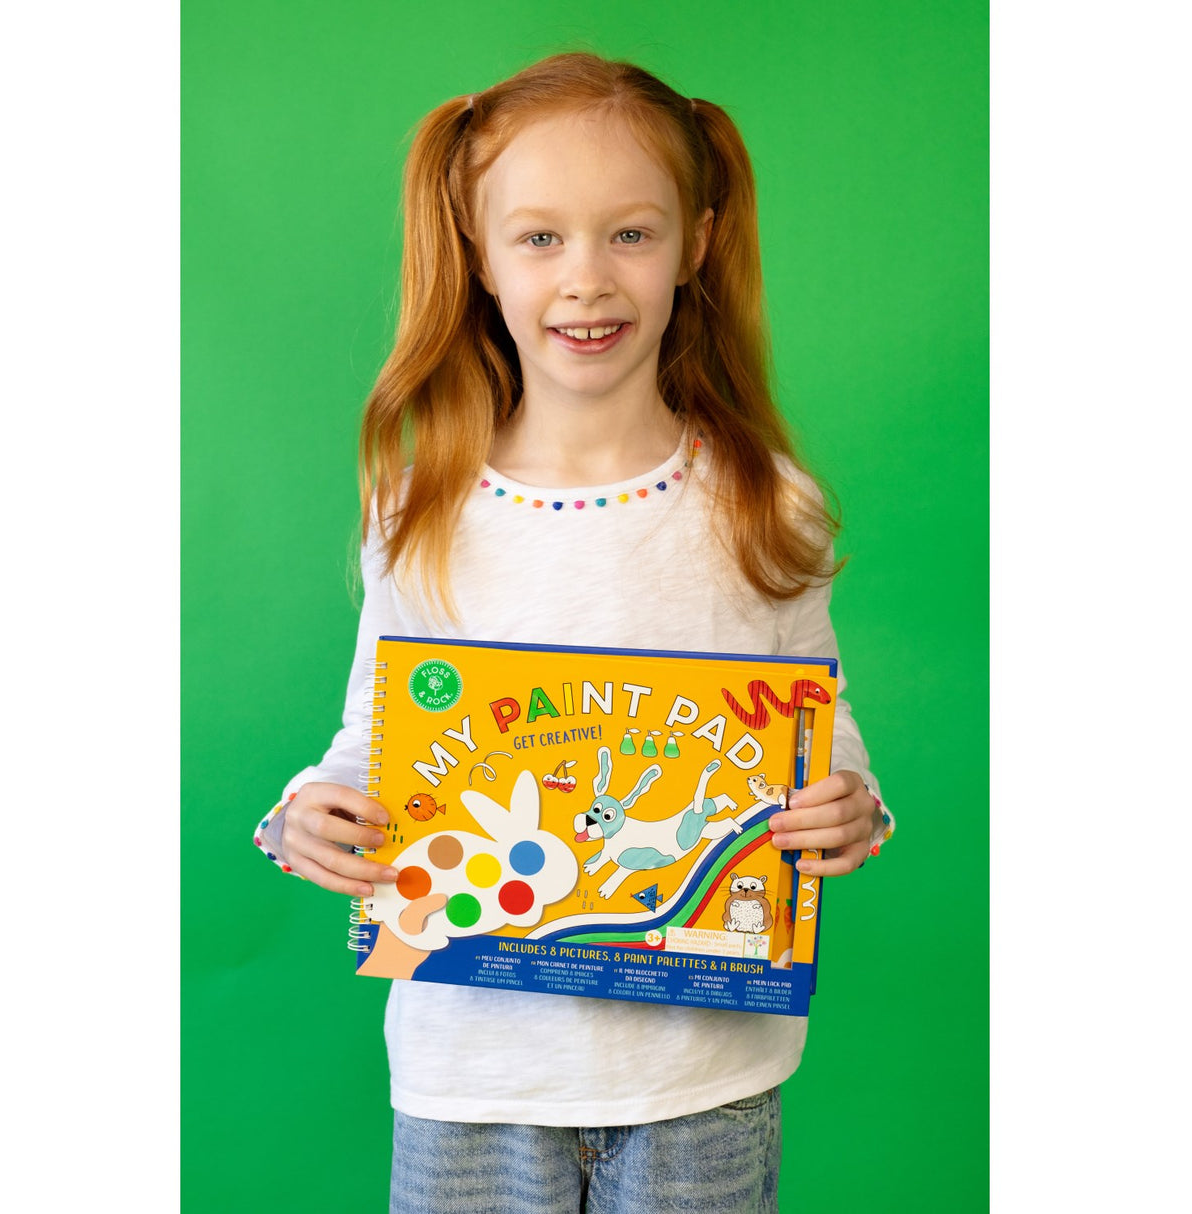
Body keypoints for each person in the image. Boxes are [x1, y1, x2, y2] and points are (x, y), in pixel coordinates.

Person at [252, 51, 894, 1214]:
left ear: (694, 244)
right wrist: (310, 811)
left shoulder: (767, 502)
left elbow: (817, 714)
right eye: (539, 237)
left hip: (703, 1074)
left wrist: (848, 795)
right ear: (478, 254)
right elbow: (375, 734)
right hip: (470, 1071)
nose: (586, 279)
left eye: (629, 234)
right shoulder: (417, 511)